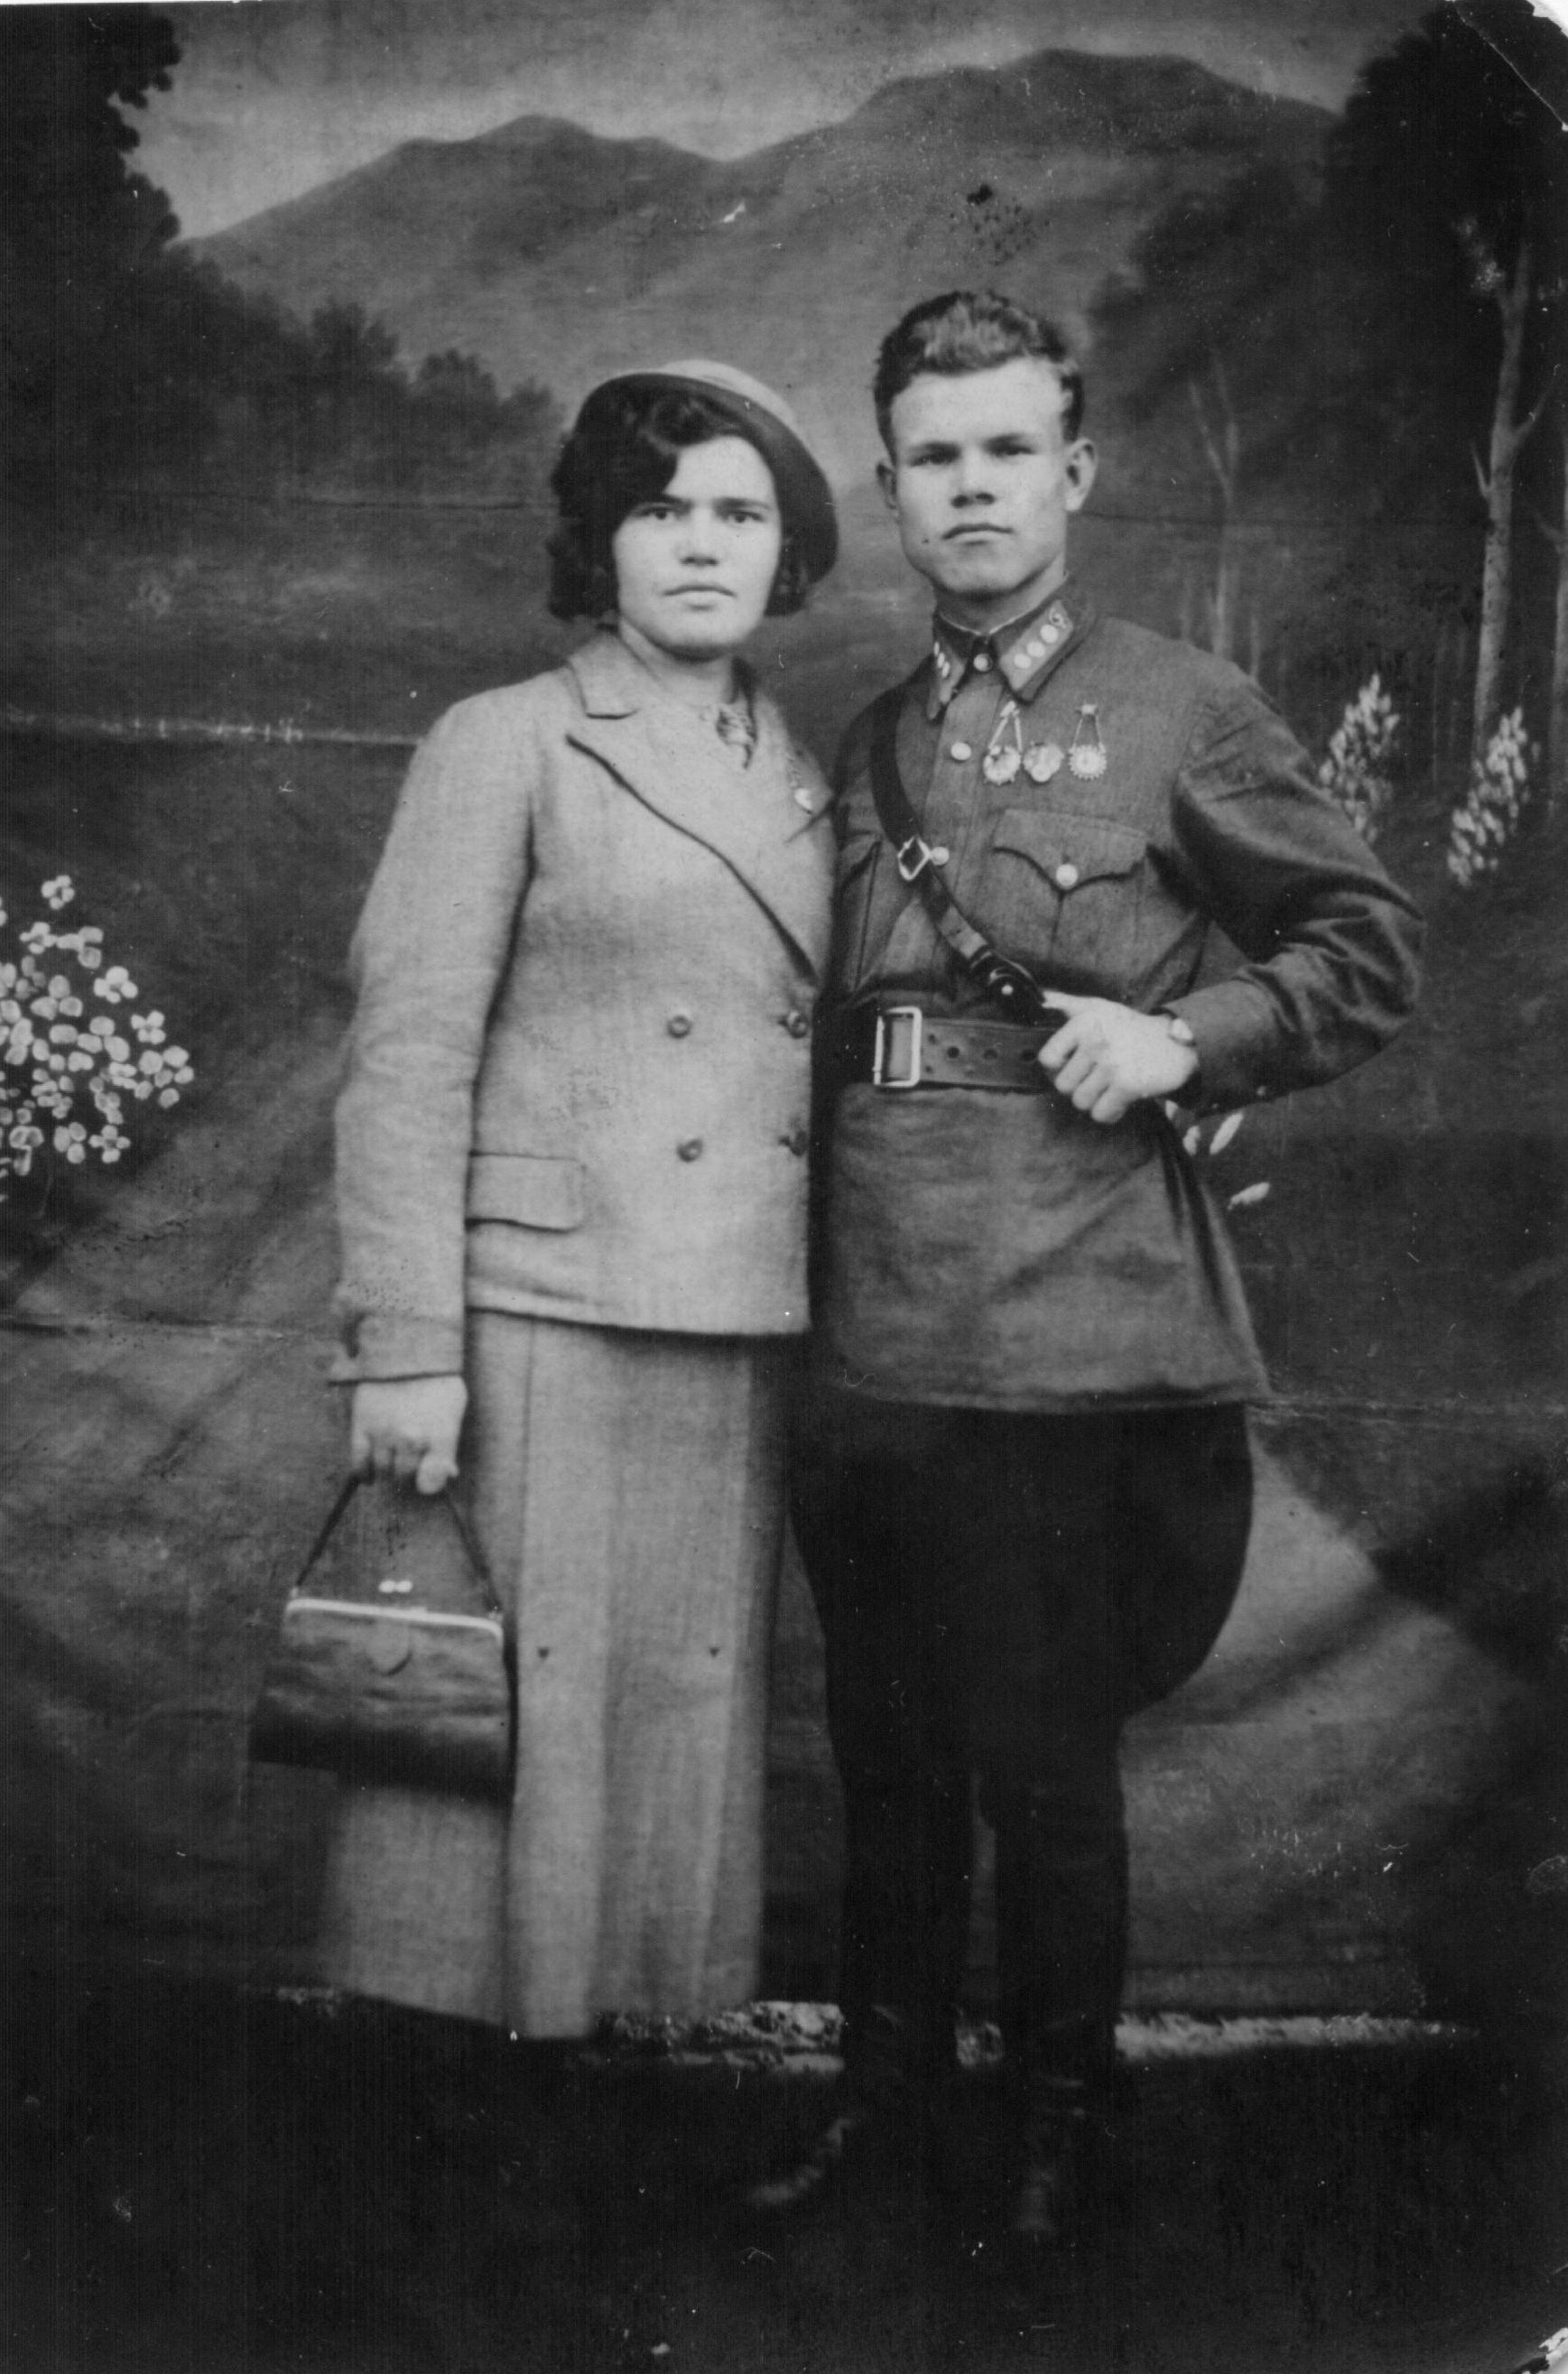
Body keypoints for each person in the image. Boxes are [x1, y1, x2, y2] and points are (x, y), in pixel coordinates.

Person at [773, 292, 1423, 2247]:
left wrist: (1183, 1037)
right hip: (869, 1332)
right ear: (891, 490)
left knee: (1042, 1757)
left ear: (1073, 472)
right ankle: (879, 2113)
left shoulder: (1179, 706)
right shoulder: (867, 738)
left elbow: (1364, 948)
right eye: (933, 458)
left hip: (1069, 1328)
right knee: (886, 1752)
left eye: (1005, 451)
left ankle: (1055, 2131)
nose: (969, 488)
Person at [320, 360, 839, 2044]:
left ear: (786, 551)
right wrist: (406, 1344)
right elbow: (405, 1060)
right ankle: (462, 2100)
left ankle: (630, 2062)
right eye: (659, 508)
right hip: (541, 1306)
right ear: (597, 541)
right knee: (512, 1712)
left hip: (737, 1308)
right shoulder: (506, 738)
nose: (700, 543)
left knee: (678, 1704)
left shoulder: (809, 769)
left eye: (739, 512)